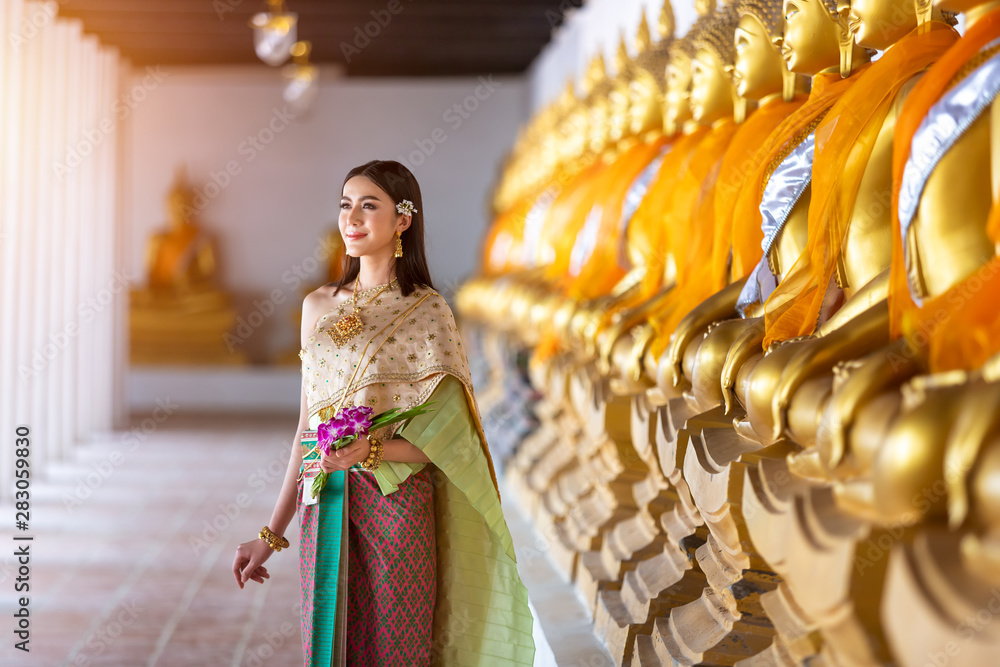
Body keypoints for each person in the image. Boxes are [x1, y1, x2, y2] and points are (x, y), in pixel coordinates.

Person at [232, 160, 536, 666]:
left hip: (396, 509)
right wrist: (270, 533)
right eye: (345, 205)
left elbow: (449, 441)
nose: (352, 217)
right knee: (330, 647)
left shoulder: (428, 311)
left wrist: (368, 448)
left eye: (368, 205)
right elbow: (307, 433)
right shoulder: (317, 306)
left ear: (402, 220)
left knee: (395, 648)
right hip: (324, 502)